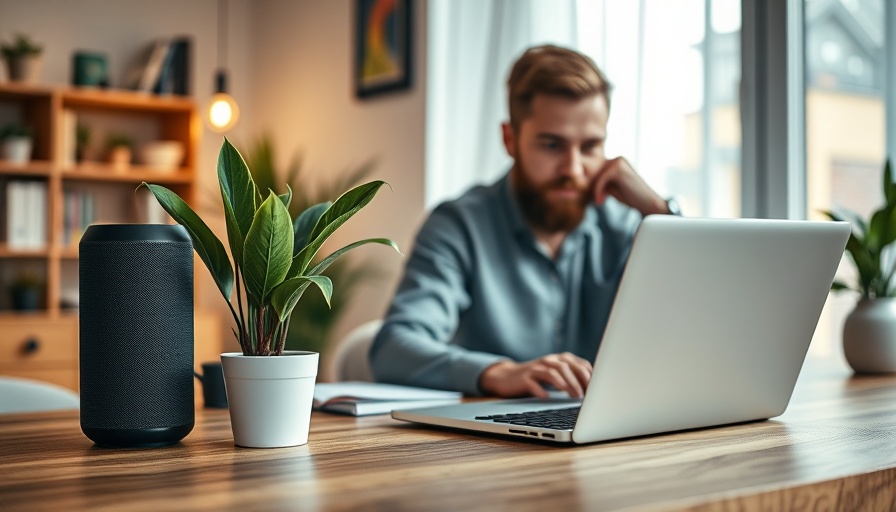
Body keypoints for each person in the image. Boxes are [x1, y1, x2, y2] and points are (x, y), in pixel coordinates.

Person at [369, 44, 678, 398]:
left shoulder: (629, 227)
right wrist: (497, 372)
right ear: (510, 139)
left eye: (590, 147)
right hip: (489, 444)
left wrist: (658, 209)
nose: (574, 170)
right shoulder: (458, 225)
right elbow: (392, 348)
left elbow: (708, 319)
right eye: (552, 145)